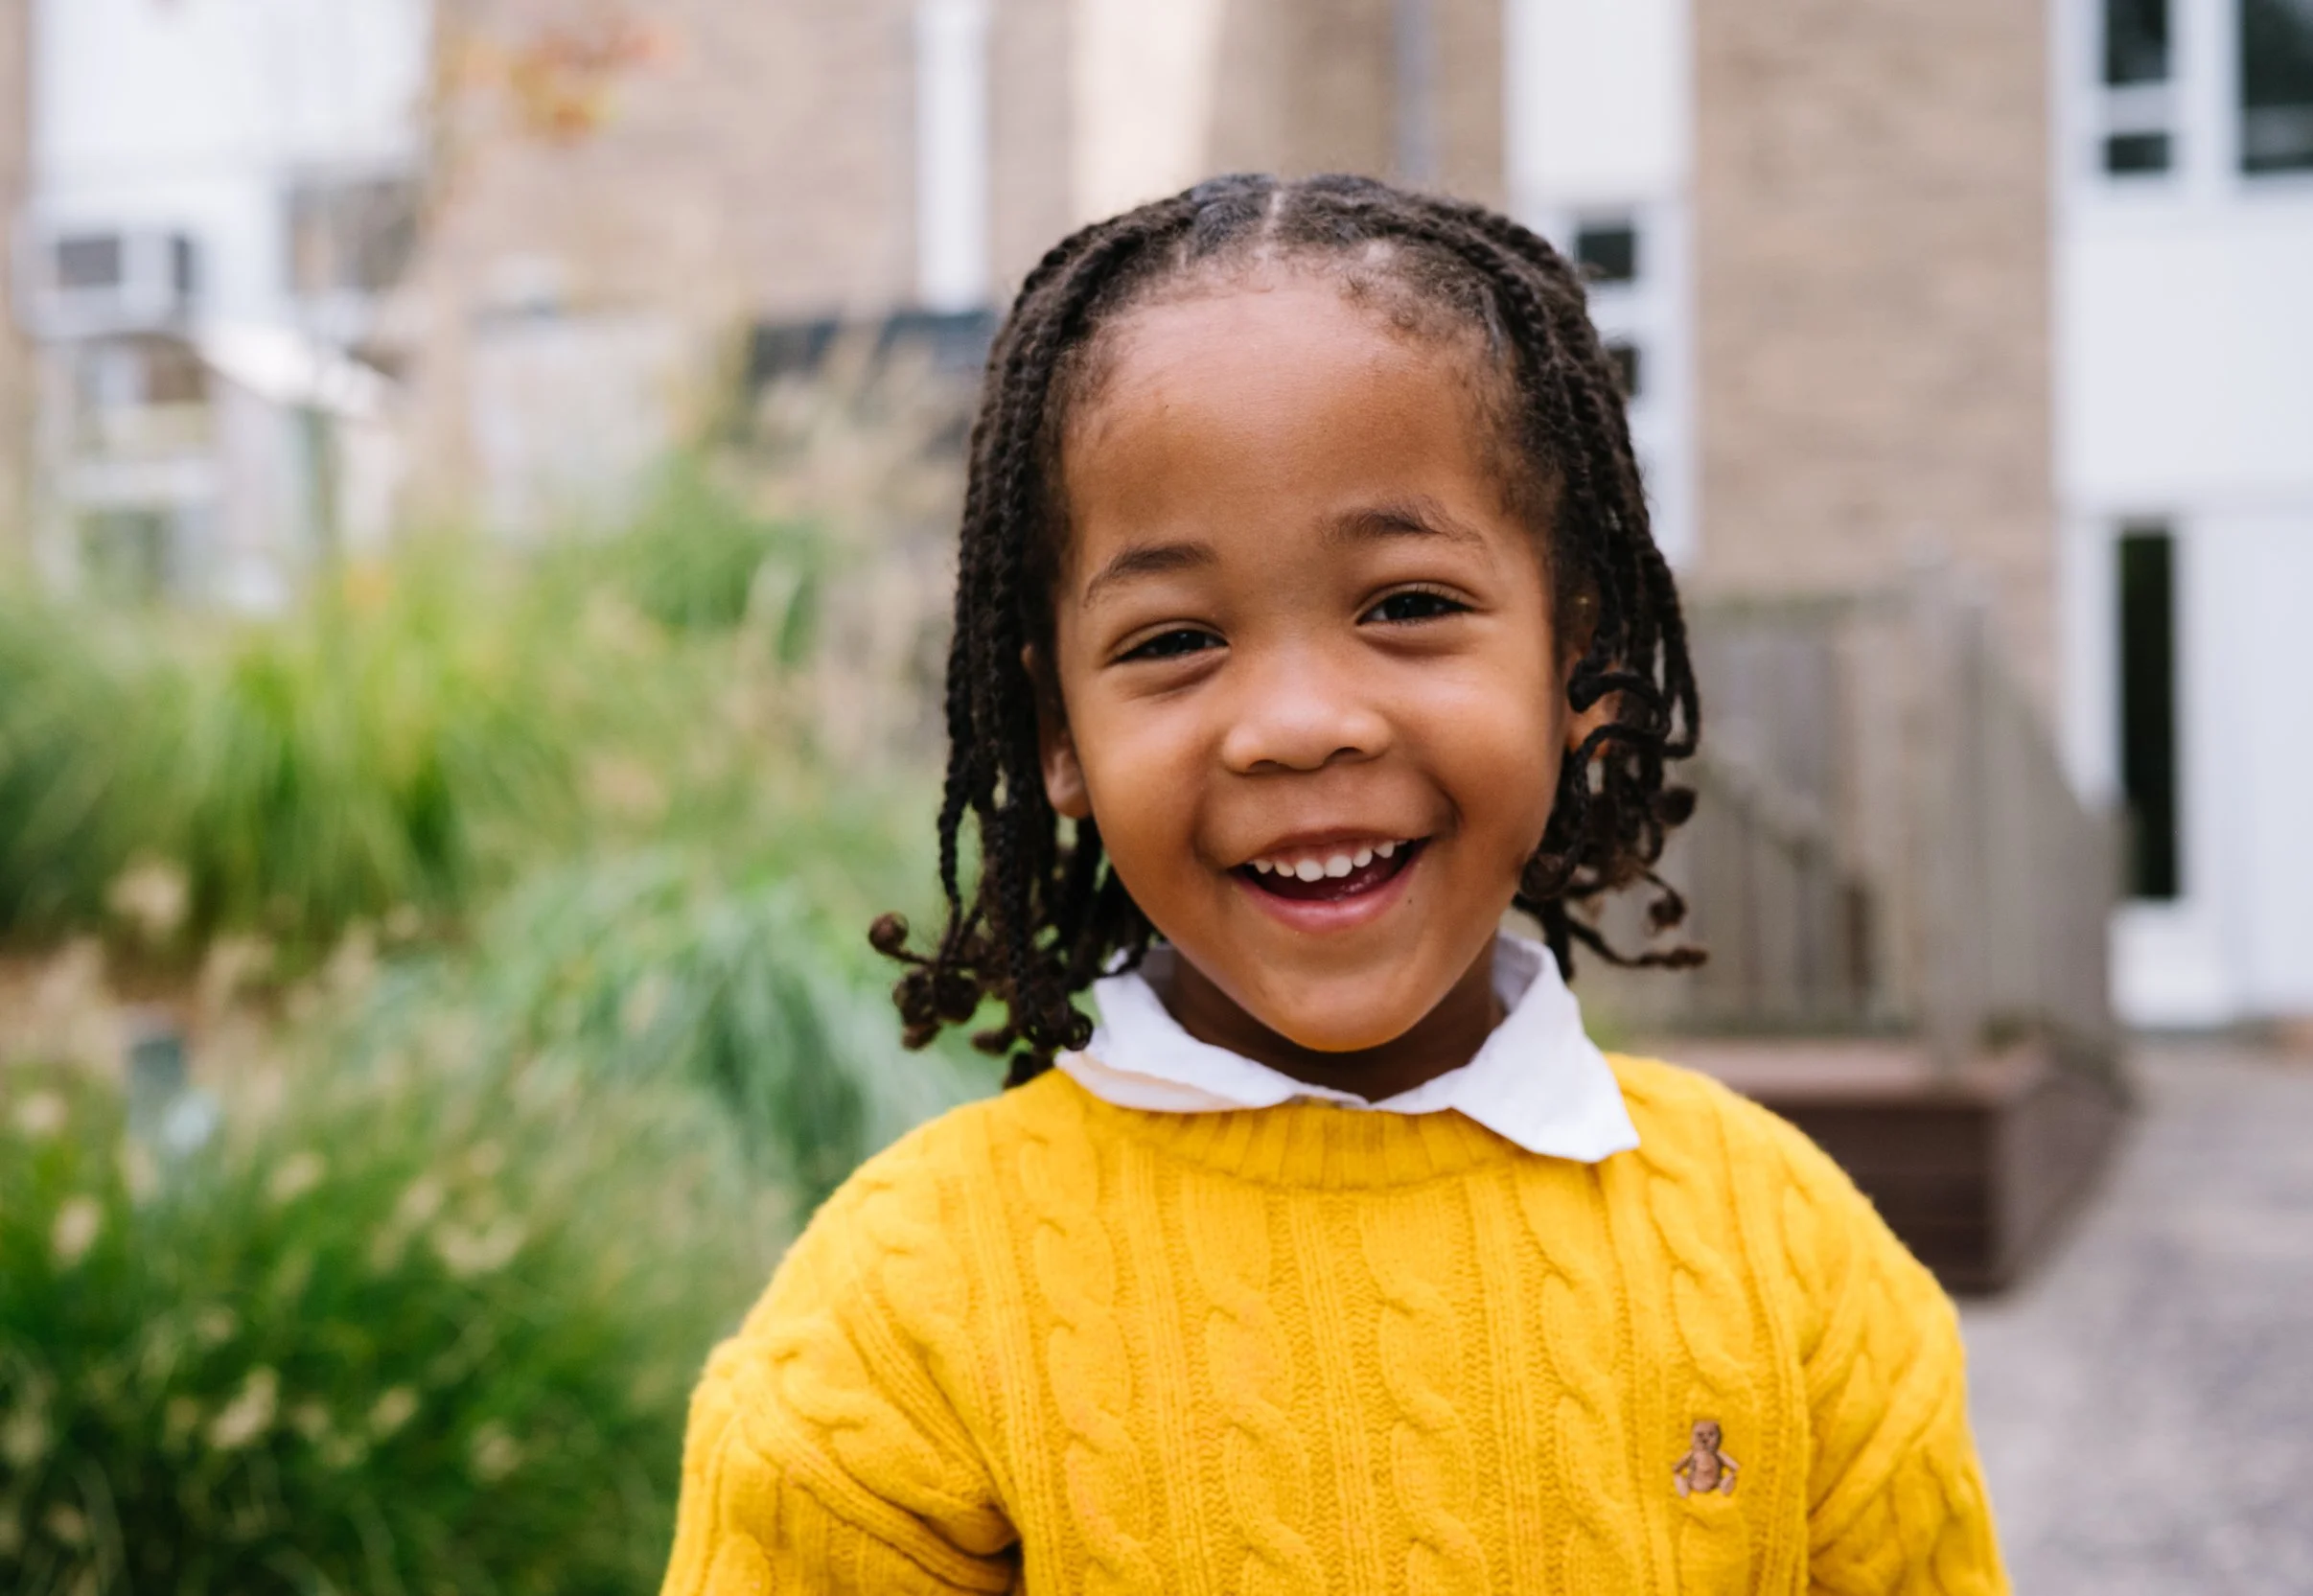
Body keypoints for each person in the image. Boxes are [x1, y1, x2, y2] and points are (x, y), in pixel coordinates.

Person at [659, 173, 2006, 1594]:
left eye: (1408, 605)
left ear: (1582, 668)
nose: (1299, 722)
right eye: (1174, 638)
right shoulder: (904, 1313)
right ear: (1060, 734)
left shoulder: (1781, 1254)